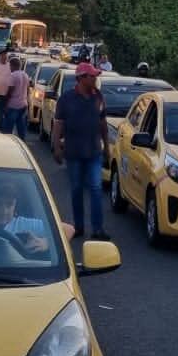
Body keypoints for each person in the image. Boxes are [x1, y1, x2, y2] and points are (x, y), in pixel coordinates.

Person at [52, 62, 109, 240]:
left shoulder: (98, 97)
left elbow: (103, 123)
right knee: (76, 190)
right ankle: (78, 226)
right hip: (74, 152)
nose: (95, 79)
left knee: (96, 189)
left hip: (93, 152)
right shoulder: (66, 99)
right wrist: (56, 147)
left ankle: (97, 229)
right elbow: (58, 124)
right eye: (92, 76)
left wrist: (107, 146)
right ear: (81, 78)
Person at [1, 56, 30, 138]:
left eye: (10, 66)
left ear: (13, 65)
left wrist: (5, 104)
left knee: (7, 129)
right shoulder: (25, 75)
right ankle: (22, 142)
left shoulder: (13, 75)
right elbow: (27, 90)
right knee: (21, 127)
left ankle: (7, 144)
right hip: (23, 104)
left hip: (13, 105)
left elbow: (10, 91)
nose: (9, 67)